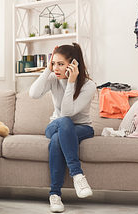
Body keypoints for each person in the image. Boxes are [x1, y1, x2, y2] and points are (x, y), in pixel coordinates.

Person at [29, 43, 96, 213]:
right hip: (56, 125)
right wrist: (47, 69)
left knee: (59, 138)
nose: (56, 68)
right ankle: (78, 175)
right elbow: (33, 94)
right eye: (54, 63)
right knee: (63, 123)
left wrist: (71, 82)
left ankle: (55, 195)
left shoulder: (88, 85)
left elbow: (68, 112)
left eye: (60, 64)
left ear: (73, 65)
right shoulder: (53, 77)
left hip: (82, 128)